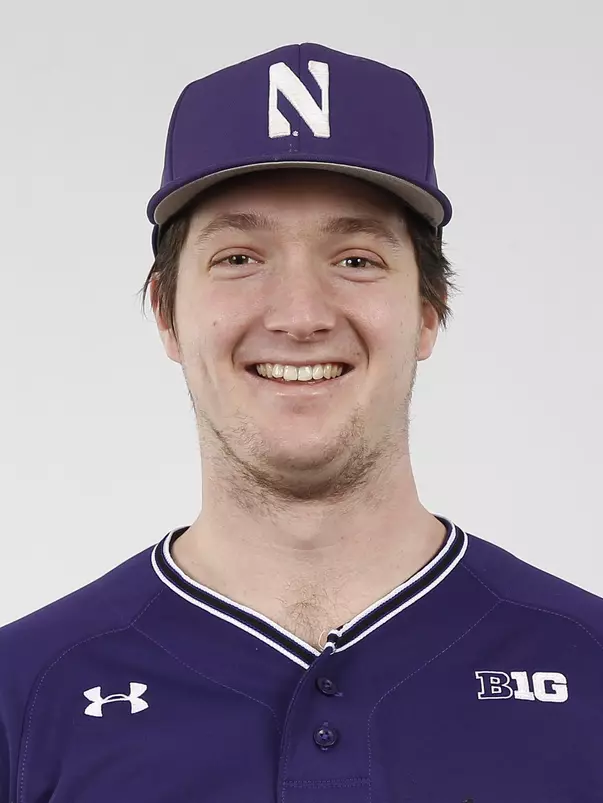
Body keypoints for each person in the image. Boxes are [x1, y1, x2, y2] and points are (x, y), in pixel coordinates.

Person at [1, 42, 602, 803]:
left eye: (355, 259)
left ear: (426, 311)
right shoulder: (23, 696)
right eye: (239, 257)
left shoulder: (589, 664)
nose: (299, 315)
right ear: (166, 313)